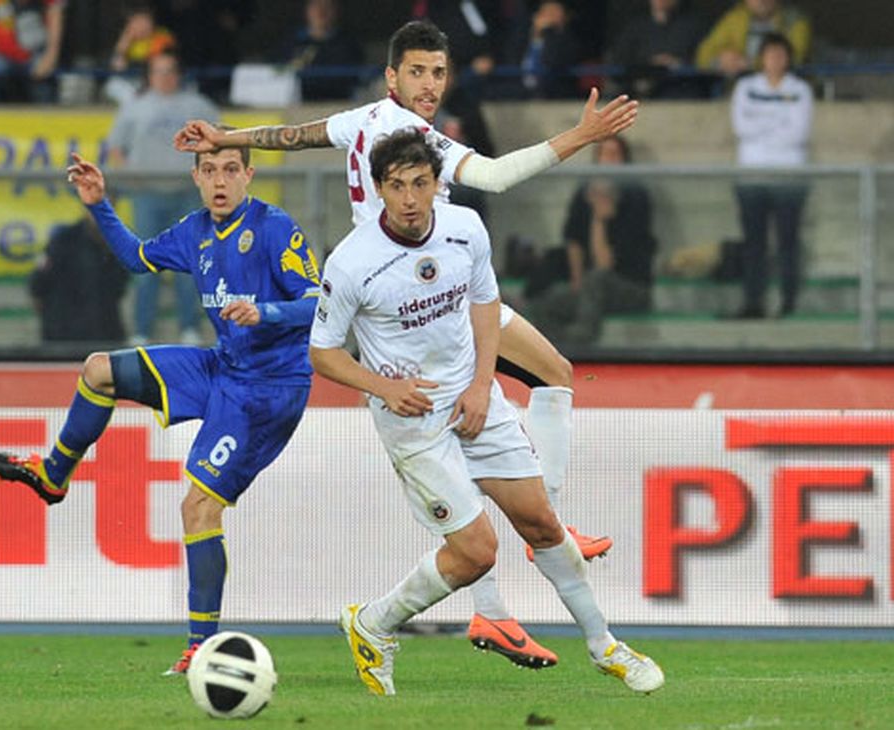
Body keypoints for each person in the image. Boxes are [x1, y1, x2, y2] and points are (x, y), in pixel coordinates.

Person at [175, 18, 635, 670]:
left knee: (527, 395)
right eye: (417, 72)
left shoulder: (365, 119)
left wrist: (227, 135)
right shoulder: (413, 138)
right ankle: (541, 540)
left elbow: (296, 135)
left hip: (439, 282)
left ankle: (504, 594)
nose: (429, 85)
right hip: (405, 303)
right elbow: (495, 175)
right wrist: (579, 137)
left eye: (438, 73)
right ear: (393, 75)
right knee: (514, 404)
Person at [310, 129, 664, 696]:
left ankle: (605, 647)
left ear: (437, 184)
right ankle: (374, 623)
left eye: (420, 184)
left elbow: (485, 303)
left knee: (543, 523)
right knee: (476, 552)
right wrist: (382, 387)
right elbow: (323, 353)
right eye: (396, 186)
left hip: (475, 400)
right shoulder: (352, 262)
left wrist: (481, 385)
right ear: (378, 189)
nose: (409, 199)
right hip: (414, 422)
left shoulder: (465, 228)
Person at [0, 142, 321, 675]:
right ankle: (54, 474)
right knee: (98, 370)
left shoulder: (274, 227)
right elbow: (137, 258)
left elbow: (318, 301)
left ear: (249, 175)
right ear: (196, 177)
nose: (220, 181)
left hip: (269, 389)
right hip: (222, 367)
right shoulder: (195, 231)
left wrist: (266, 311)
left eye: (230, 170)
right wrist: (99, 204)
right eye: (209, 170)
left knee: (198, 509)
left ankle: (201, 649)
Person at [107, 51, 219, 345]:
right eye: (159, 71)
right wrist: (131, 175)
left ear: (179, 74)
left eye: (170, 71)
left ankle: (189, 328)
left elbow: (220, 143)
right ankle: (141, 331)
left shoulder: (199, 106)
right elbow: (116, 147)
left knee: (190, 266)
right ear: (150, 76)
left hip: (187, 193)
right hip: (146, 194)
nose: (165, 77)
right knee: (144, 264)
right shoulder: (134, 107)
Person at [531, 135, 657, 344]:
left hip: (631, 288)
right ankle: (555, 349)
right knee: (548, 302)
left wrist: (599, 220)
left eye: (614, 155)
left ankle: (581, 340)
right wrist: (577, 282)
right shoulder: (584, 193)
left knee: (597, 280)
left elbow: (604, 265)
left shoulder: (636, 197)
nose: (608, 161)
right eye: (603, 155)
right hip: (590, 288)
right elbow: (573, 241)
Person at [728, 32, 812, 319]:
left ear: (788, 59)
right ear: (761, 58)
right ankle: (753, 302)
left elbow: (798, 133)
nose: (775, 59)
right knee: (754, 243)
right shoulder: (745, 87)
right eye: (770, 54)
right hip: (751, 176)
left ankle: (788, 302)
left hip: (789, 177)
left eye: (780, 54)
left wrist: (761, 122)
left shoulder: (800, 89)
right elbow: (741, 128)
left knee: (788, 242)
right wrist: (778, 120)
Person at [29, 214, 129, 343]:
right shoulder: (64, 240)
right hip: (63, 336)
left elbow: (119, 288)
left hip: (104, 334)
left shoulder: (117, 244)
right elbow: (38, 285)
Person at [0, 0, 65, 103]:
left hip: (36, 52)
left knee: (43, 96)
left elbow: (55, 10)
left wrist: (51, 54)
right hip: (2, 53)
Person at [607, 0, 706, 99]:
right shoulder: (634, 27)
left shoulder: (692, 27)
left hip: (680, 91)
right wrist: (649, 64)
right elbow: (620, 61)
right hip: (639, 90)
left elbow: (703, 63)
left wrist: (678, 63)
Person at [695, 0, 811, 80]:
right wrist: (719, 61)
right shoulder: (735, 18)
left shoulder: (795, 21)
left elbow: (796, 58)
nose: (761, 1)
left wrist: (749, 64)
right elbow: (702, 55)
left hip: (783, 93)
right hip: (738, 90)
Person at [277, 0, 364, 102]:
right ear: (307, 9)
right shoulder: (291, 43)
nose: (321, 11)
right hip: (298, 106)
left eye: (327, 6)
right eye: (316, 5)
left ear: (336, 10)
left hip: (338, 104)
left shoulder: (348, 45)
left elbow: (357, 81)